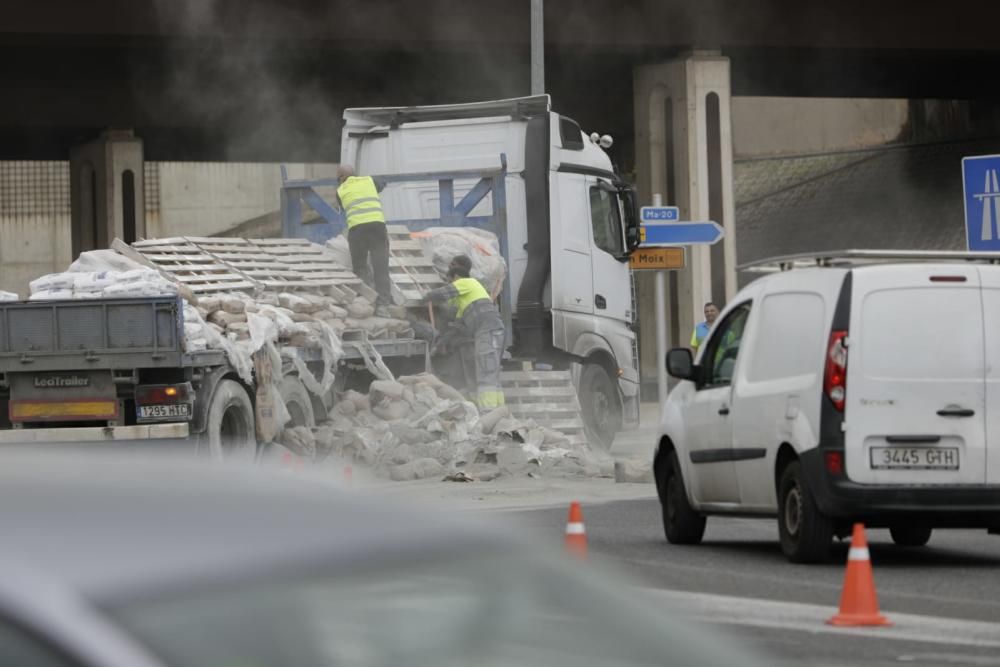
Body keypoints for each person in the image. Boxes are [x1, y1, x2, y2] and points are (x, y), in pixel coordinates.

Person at [423, 255, 506, 409]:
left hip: (487, 330)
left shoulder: (467, 282)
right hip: (493, 330)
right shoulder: (466, 303)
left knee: (485, 370)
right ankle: (499, 410)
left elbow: (445, 293)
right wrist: (440, 343)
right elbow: (457, 328)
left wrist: (427, 296)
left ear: (455, 277)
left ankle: (488, 411)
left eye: (450, 280)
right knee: (491, 370)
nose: (450, 284)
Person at [335, 164, 392, 316]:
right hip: (377, 228)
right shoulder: (369, 180)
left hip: (357, 231)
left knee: (360, 267)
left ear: (341, 178)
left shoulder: (340, 190)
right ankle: (384, 305)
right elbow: (382, 184)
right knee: (381, 267)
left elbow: (343, 206)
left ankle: (367, 302)